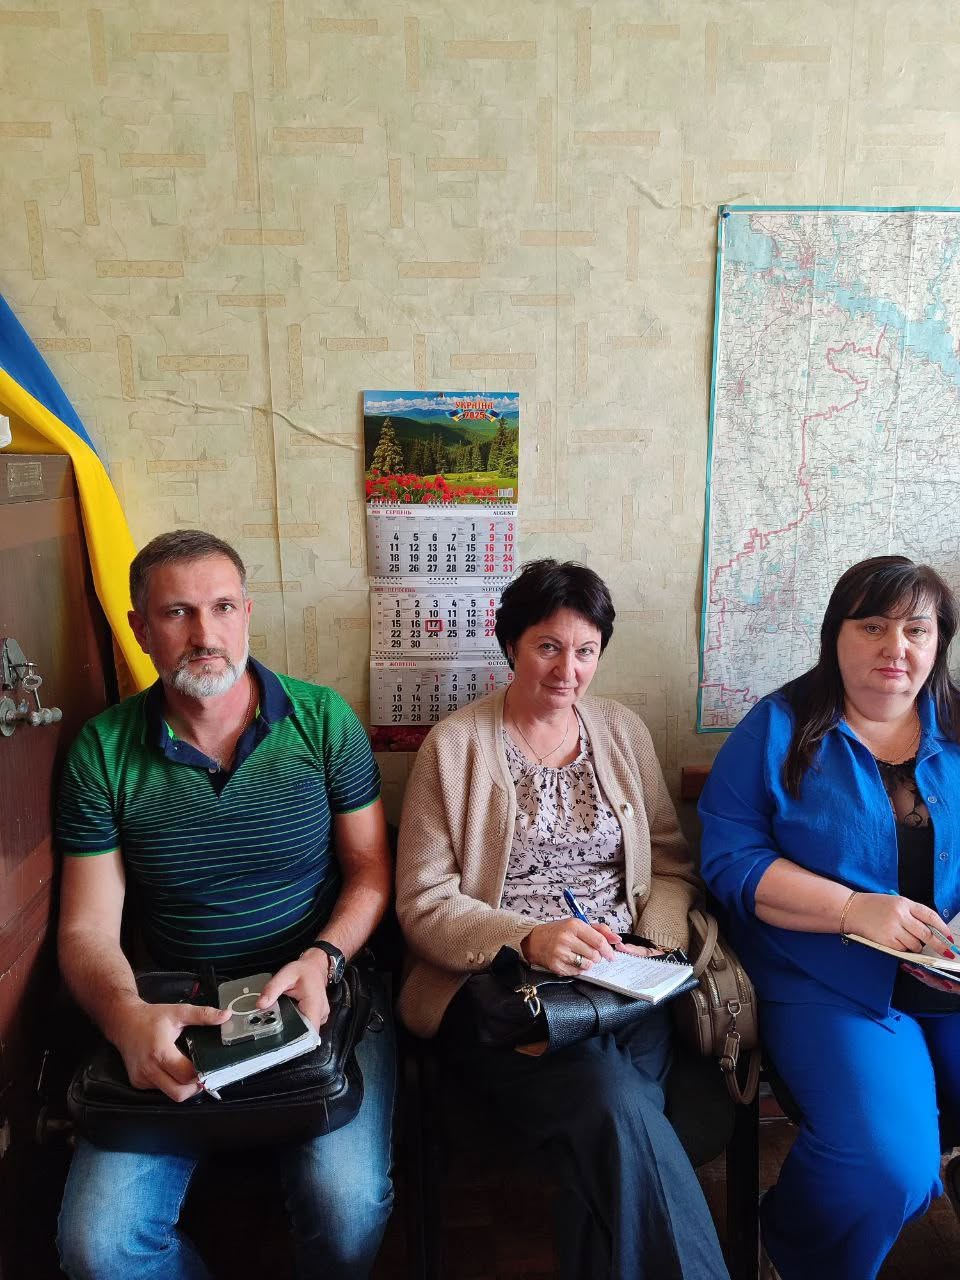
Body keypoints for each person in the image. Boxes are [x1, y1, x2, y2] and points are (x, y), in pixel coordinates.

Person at [55, 529, 395, 1280]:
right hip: (176, 1006)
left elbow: (372, 871)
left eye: (222, 607)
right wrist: (125, 1017)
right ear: (141, 628)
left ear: (248, 613)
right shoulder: (103, 751)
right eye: (176, 612)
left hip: (321, 991)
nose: (204, 634)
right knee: (99, 1248)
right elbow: (85, 927)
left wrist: (324, 956)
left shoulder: (322, 721)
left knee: (348, 1209)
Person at [395, 558, 730, 1280]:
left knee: (610, 1134)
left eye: (585, 651)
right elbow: (423, 903)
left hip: (624, 985)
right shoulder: (454, 747)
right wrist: (525, 937)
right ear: (510, 644)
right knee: (617, 1105)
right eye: (548, 647)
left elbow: (672, 868)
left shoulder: (622, 731)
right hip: (505, 993)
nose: (567, 670)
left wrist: (646, 946)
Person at [698, 555, 960, 1280]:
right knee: (887, 1167)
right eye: (872, 626)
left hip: (949, 979)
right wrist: (852, 909)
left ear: (939, 640)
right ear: (835, 634)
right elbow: (730, 860)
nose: (895, 647)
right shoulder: (778, 728)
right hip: (826, 981)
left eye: (916, 629)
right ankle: (792, 1244)